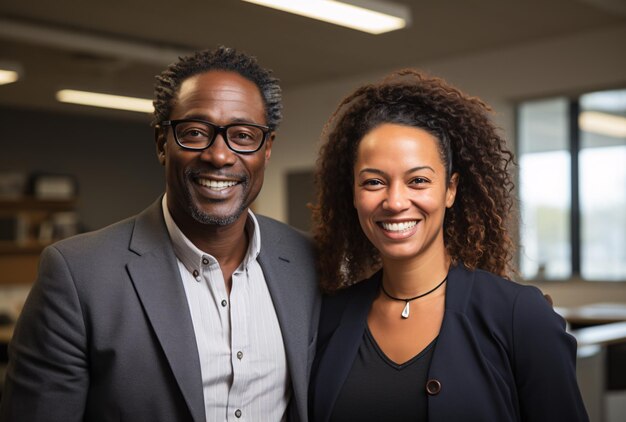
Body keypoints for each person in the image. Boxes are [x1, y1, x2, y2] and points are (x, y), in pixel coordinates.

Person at [0, 46, 320, 422]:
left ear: (266, 150)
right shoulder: (77, 275)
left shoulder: (308, 260)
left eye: (243, 135)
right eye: (196, 133)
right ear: (161, 144)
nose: (219, 155)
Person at [309, 69, 588, 421]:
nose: (395, 201)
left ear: (450, 190)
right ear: (352, 193)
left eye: (418, 180)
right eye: (374, 182)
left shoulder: (519, 317)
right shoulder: (331, 318)